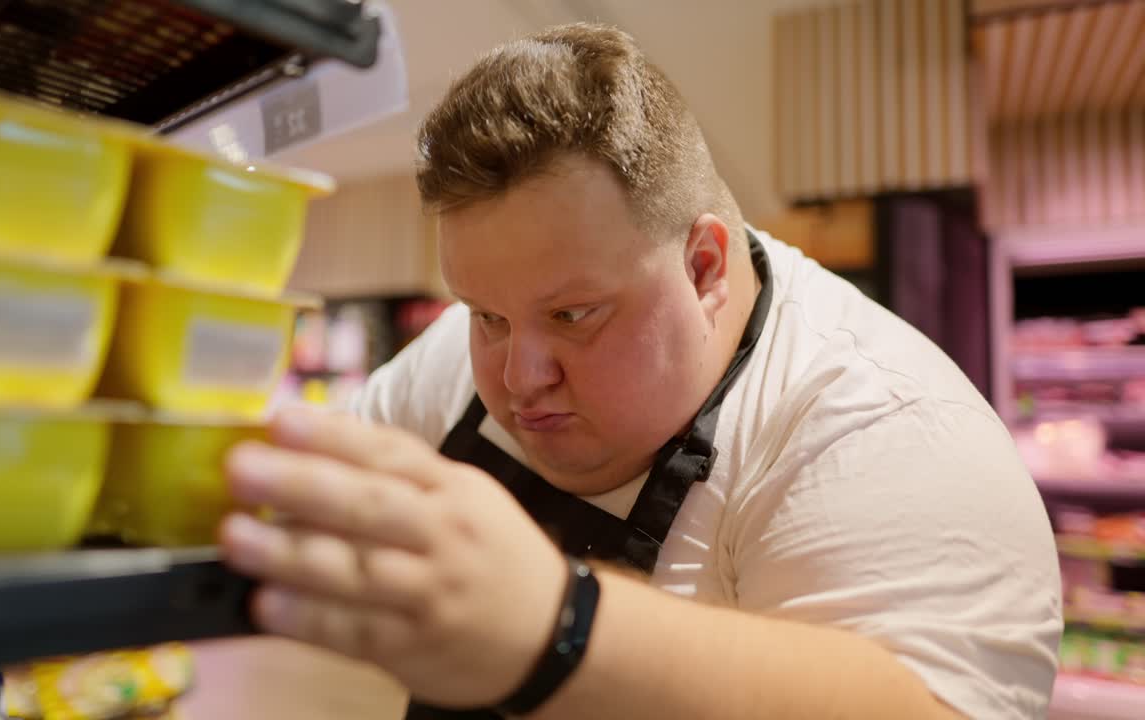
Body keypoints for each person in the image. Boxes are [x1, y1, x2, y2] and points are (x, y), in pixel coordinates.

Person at [218, 22, 1061, 719]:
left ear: (703, 267)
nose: (521, 376)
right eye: (488, 316)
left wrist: (560, 627)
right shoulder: (466, 358)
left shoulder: (882, 427)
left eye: (572, 316)